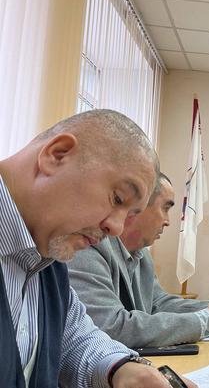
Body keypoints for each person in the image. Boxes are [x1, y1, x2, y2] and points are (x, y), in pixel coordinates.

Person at [0, 109, 193, 387]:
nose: (116, 228)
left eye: (129, 214)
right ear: (57, 155)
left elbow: (74, 337)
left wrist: (121, 368)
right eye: (117, 198)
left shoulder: (48, 255)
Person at [68, 173, 209, 348]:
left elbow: (159, 303)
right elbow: (110, 326)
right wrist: (207, 320)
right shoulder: (89, 246)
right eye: (165, 208)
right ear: (139, 207)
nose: (168, 221)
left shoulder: (141, 255)